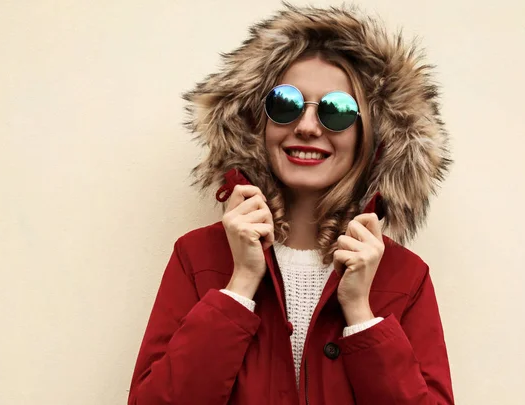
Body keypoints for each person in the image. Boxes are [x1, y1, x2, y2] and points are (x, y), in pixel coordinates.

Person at [128, 4, 454, 405]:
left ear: (371, 135)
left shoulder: (405, 277)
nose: (306, 126)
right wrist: (241, 284)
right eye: (285, 103)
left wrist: (360, 314)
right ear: (255, 122)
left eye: (337, 111)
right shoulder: (197, 258)